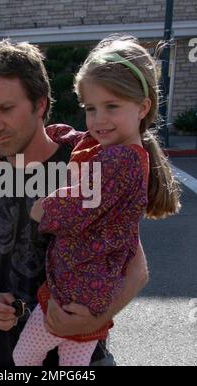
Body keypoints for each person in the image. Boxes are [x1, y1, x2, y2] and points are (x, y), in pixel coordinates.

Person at [0, 39, 150, 367]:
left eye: (6, 109)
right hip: (0, 359)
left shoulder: (87, 167)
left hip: (84, 356)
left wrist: (94, 320)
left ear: (41, 105)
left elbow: (136, 269)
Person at [10, 35, 181, 366]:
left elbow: (81, 203)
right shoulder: (123, 150)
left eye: (111, 106)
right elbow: (84, 140)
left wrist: (43, 210)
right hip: (91, 294)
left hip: (74, 290)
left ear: (142, 107)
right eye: (90, 108)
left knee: (23, 357)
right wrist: (57, 133)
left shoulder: (119, 161)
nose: (99, 119)